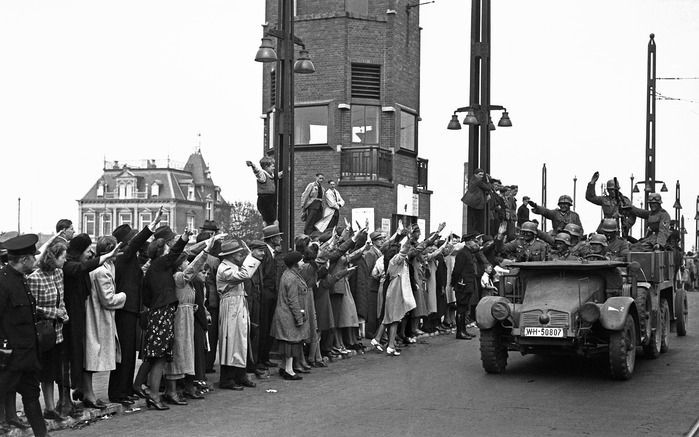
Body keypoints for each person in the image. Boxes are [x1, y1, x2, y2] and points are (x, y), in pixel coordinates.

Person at [108, 206, 163, 405]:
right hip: (124, 310)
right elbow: (136, 243)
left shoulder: (128, 260)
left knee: (129, 353)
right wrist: (152, 225)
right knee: (124, 353)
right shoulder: (124, 255)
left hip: (131, 310)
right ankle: (117, 392)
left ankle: (126, 389)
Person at [62, 234, 119, 413]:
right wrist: (104, 257)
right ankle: (76, 396)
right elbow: (82, 267)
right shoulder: (70, 266)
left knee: (83, 355)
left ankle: (84, 390)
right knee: (75, 357)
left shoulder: (79, 267)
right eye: (87, 250)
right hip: (70, 319)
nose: (90, 254)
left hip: (81, 316)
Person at [0, 234, 50, 437]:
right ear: (23, 260)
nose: (35, 260)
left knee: (31, 396)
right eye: (32, 256)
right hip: (9, 358)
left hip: (27, 355)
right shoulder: (3, 283)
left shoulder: (21, 280)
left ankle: (42, 434)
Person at [164, 233, 223, 404]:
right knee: (178, 352)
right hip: (180, 319)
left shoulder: (186, 280)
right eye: (184, 262)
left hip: (188, 316)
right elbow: (193, 268)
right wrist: (205, 251)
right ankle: (172, 390)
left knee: (188, 352)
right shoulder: (179, 278)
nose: (187, 264)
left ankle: (187, 386)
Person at [141, 227, 191, 410]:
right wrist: (184, 238)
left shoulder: (151, 270)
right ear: (161, 252)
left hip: (156, 312)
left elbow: (145, 297)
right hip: (163, 313)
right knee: (160, 357)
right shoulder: (161, 264)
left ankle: (152, 392)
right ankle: (154, 395)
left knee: (157, 357)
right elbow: (176, 252)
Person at [27, 243, 70, 422]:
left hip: (57, 331)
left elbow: (61, 298)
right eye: (63, 256)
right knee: (43, 371)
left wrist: (63, 312)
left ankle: (51, 408)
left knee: (53, 370)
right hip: (42, 332)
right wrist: (53, 313)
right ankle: (46, 407)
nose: (65, 259)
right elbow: (31, 306)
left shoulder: (59, 274)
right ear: (53, 257)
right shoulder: (35, 278)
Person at [82, 237, 126, 409]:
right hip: (98, 317)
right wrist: (123, 296)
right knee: (93, 355)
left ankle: (85, 390)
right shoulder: (102, 271)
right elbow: (108, 299)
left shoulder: (105, 267)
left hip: (95, 315)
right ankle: (89, 394)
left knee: (92, 353)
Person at [216, 239, 265, 390]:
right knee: (231, 341)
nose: (240, 255)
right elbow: (244, 275)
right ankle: (228, 378)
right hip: (230, 306)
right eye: (237, 253)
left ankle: (240, 374)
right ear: (230, 255)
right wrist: (252, 257)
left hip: (238, 304)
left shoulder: (232, 266)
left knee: (242, 340)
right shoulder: (224, 268)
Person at [271, 251, 311, 380]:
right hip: (288, 315)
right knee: (291, 343)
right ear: (295, 263)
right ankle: (289, 370)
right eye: (300, 260)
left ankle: (285, 368)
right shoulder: (292, 278)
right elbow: (292, 300)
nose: (302, 262)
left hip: (285, 313)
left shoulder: (288, 274)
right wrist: (299, 318)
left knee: (288, 342)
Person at [586, 172, 635, 237]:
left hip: (618, 228)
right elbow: (590, 197)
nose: (612, 191)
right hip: (605, 227)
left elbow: (633, 215)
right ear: (608, 190)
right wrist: (592, 183)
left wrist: (626, 225)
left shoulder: (624, 201)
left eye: (614, 190)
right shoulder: (604, 199)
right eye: (610, 190)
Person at [451, 233, 480, 340]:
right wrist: (454, 283)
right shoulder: (462, 253)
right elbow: (457, 270)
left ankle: (463, 330)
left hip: (467, 284)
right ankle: (460, 332)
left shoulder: (468, 252)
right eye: (473, 241)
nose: (475, 243)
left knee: (464, 308)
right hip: (462, 285)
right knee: (461, 308)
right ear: (468, 242)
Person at [247, 157, 279, 225]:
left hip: (270, 198)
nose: (274, 168)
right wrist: (252, 165)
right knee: (272, 218)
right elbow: (257, 172)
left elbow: (277, 176)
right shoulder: (262, 175)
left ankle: (269, 228)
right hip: (265, 199)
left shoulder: (271, 175)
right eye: (272, 166)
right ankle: (272, 230)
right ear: (266, 167)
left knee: (269, 218)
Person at [461, 168, 492, 234]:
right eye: (480, 174)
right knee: (477, 219)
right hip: (475, 203)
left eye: (482, 175)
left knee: (474, 219)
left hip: (473, 203)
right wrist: (488, 181)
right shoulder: (477, 181)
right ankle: (475, 232)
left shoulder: (473, 180)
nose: (481, 176)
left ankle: (475, 231)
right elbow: (488, 187)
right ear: (475, 174)